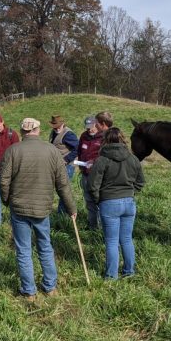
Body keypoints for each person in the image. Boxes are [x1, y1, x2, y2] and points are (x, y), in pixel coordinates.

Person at [0, 118, 77, 301]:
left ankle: (29, 291)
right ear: (38, 130)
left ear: (22, 131)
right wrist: (71, 207)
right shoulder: (52, 151)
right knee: (45, 246)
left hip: (19, 208)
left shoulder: (12, 150)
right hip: (42, 209)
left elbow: (3, 180)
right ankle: (50, 287)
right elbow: (63, 184)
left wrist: (7, 201)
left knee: (23, 250)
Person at [87, 127, 145, 279]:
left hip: (109, 203)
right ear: (122, 138)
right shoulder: (133, 158)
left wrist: (98, 199)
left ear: (105, 140)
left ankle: (111, 276)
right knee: (126, 239)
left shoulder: (102, 160)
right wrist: (131, 192)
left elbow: (93, 185)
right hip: (129, 203)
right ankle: (129, 272)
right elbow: (140, 182)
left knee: (111, 241)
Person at [77, 111, 113, 230]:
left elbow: (107, 156)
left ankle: (104, 227)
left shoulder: (104, 138)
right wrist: (81, 165)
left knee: (101, 201)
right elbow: (79, 151)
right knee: (89, 201)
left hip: (99, 176)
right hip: (86, 175)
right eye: (87, 128)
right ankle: (92, 226)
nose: (89, 130)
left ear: (97, 125)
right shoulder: (83, 136)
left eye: (91, 127)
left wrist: (95, 163)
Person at [48, 114, 79, 216]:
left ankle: (62, 214)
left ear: (63, 124)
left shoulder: (68, 135)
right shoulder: (54, 132)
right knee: (59, 189)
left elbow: (77, 149)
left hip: (67, 166)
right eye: (54, 126)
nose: (56, 129)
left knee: (63, 190)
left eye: (57, 126)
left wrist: (67, 159)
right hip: (57, 165)